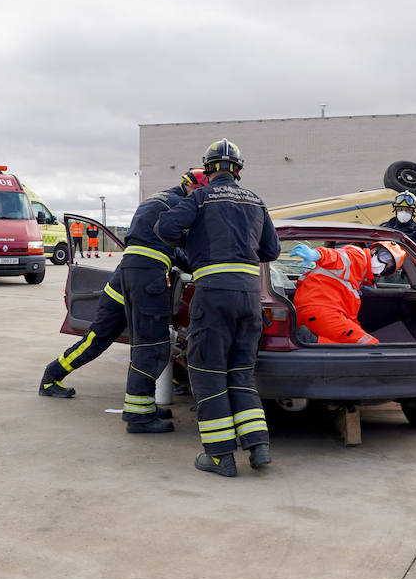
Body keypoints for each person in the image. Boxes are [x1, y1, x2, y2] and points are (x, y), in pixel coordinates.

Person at [156, 138, 280, 477]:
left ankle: (219, 457)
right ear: (238, 171)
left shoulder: (199, 197)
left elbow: (164, 228)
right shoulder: (256, 201)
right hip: (249, 297)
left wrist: (192, 243)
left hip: (213, 295)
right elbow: (272, 251)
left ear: (208, 169)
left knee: (208, 373)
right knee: (241, 372)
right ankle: (258, 447)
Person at [116, 169, 208, 433]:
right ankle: (139, 419)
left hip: (133, 271)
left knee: (141, 342)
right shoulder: (180, 205)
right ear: (193, 188)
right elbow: (180, 246)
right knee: (153, 346)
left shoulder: (160, 199)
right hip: (149, 276)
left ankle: (143, 407)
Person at [289, 241, 406, 343]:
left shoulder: (356, 277)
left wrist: (358, 329)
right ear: (375, 250)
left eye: (389, 267)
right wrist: (318, 254)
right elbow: (338, 256)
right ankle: (312, 341)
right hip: (323, 312)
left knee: (353, 341)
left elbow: (350, 316)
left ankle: (312, 340)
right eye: (385, 257)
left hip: (307, 313)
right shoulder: (358, 255)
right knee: (370, 346)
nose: (383, 265)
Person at [38, 267, 129, 397]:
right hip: (117, 301)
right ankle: (51, 376)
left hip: (126, 299)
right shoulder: (150, 249)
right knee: (93, 343)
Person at [380, 191, 416, 255]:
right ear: (396, 210)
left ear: (413, 212)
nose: (403, 212)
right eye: (400, 209)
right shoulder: (384, 227)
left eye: (407, 210)